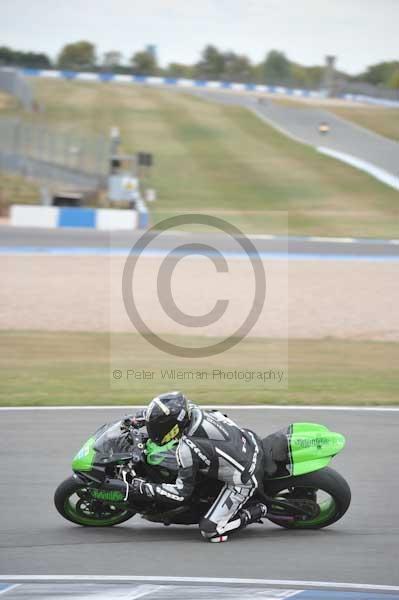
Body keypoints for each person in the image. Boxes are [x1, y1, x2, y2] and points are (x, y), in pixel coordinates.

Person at [116, 391, 267, 542]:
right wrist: (136, 419)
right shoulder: (191, 411)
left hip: (245, 477)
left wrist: (145, 488)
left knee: (210, 531)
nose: (155, 432)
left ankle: (259, 510)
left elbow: (181, 493)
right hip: (249, 439)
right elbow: (164, 415)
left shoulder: (187, 448)